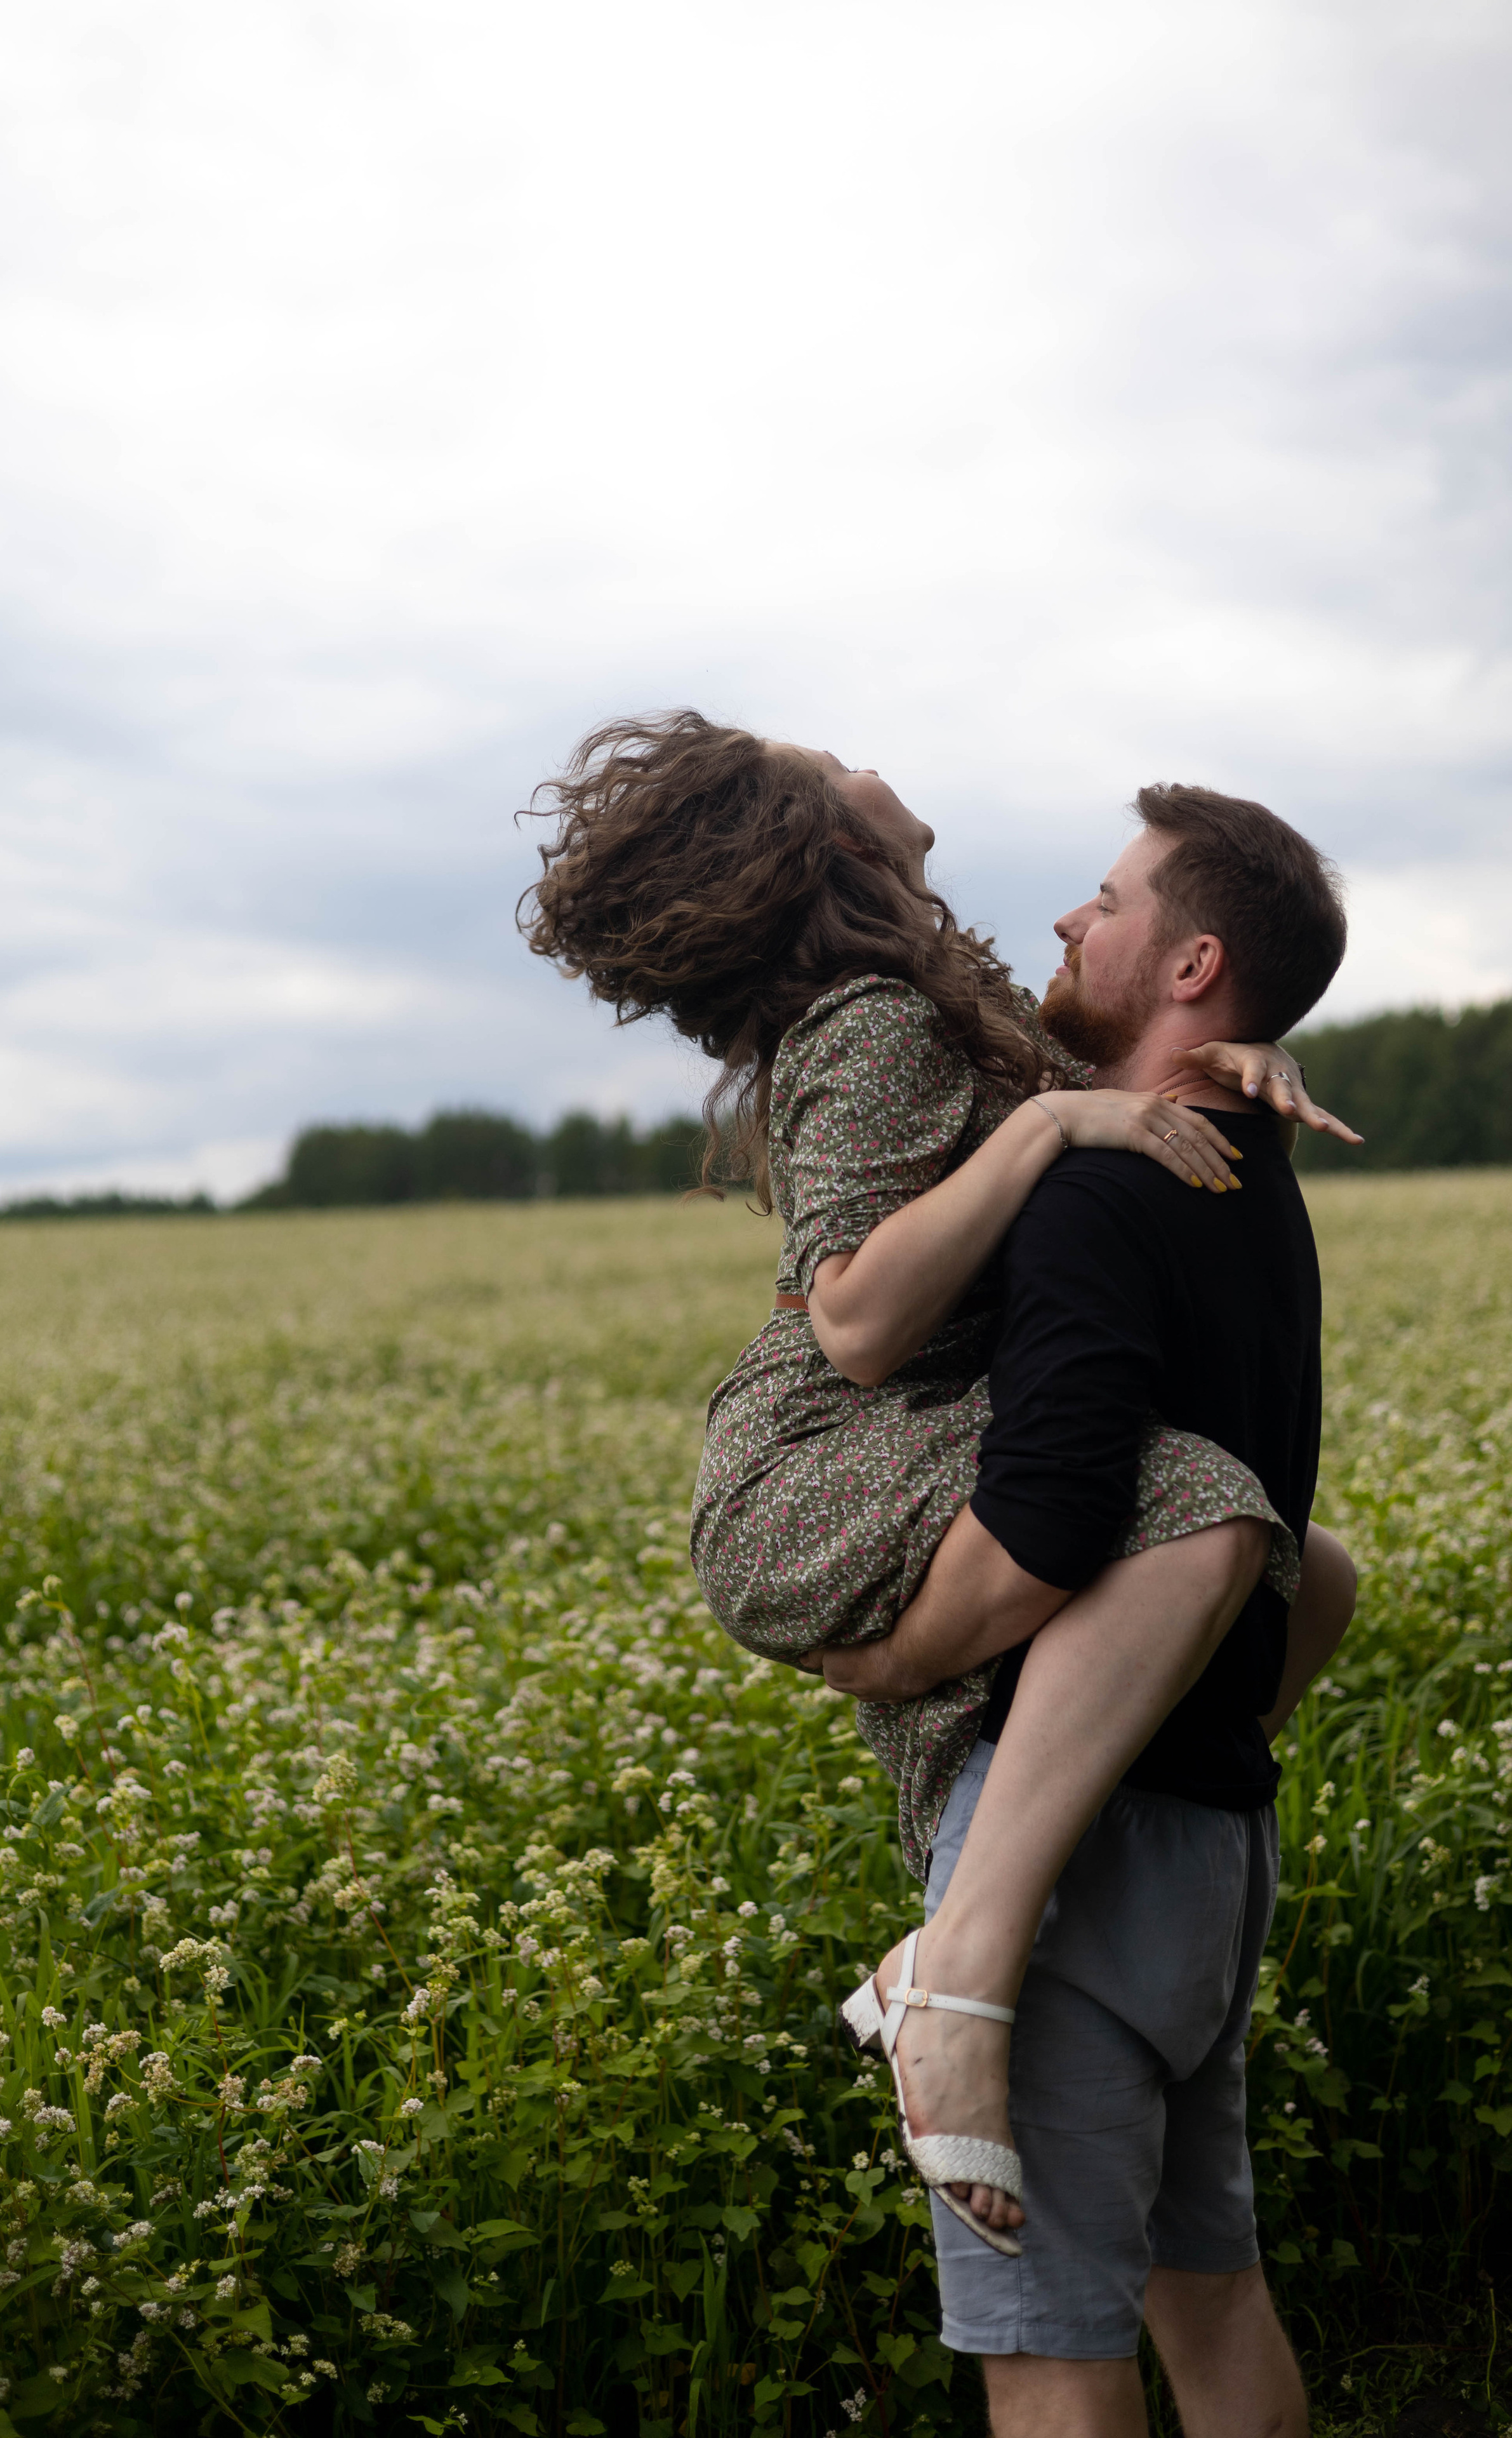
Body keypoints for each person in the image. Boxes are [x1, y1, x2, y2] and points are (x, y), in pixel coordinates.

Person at [519, 713, 1356, 2260]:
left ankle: (1044, 1842)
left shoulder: (940, 998)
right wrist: (1049, 1121)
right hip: (813, 1464)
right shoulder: (862, 1020)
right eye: (824, 758)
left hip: (901, 1441)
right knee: (1196, 1501)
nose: (861, 755)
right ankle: (962, 1974)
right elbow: (848, 1316)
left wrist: (1238, 1048)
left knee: (1318, 1567)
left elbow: (1126, 1055)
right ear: (830, 839)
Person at [822, 787, 1351, 2434]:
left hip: (1080, 1846)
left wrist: (884, 1651)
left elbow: (1051, 1525)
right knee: (1213, 2297)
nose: (1066, 920)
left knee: (1054, 2351)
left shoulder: (1100, 1194)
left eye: (1106, 900)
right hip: (1211, 1844)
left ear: (1192, 963)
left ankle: (946, 1984)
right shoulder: (1243, 1170)